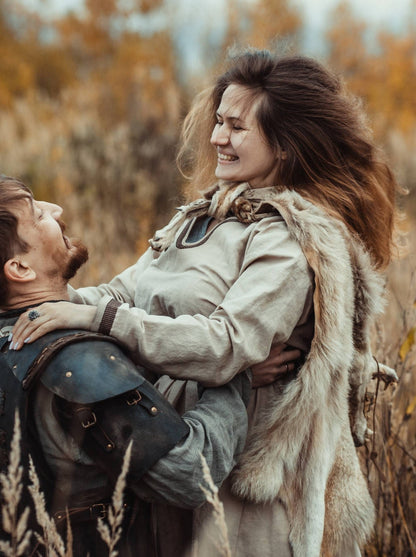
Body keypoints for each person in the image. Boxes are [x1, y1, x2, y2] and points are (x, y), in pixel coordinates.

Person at [11, 49, 398, 557]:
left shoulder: (291, 240)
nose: (217, 138)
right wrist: (37, 304)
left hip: (247, 484)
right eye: (219, 121)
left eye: (237, 127)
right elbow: (124, 295)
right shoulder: (202, 217)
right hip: (180, 450)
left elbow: (228, 345)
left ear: (284, 146)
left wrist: (92, 318)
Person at [0, 176, 253, 556]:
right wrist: (235, 375)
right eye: (38, 215)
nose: (57, 210)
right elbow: (191, 475)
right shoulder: (77, 365)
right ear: (19, 268)